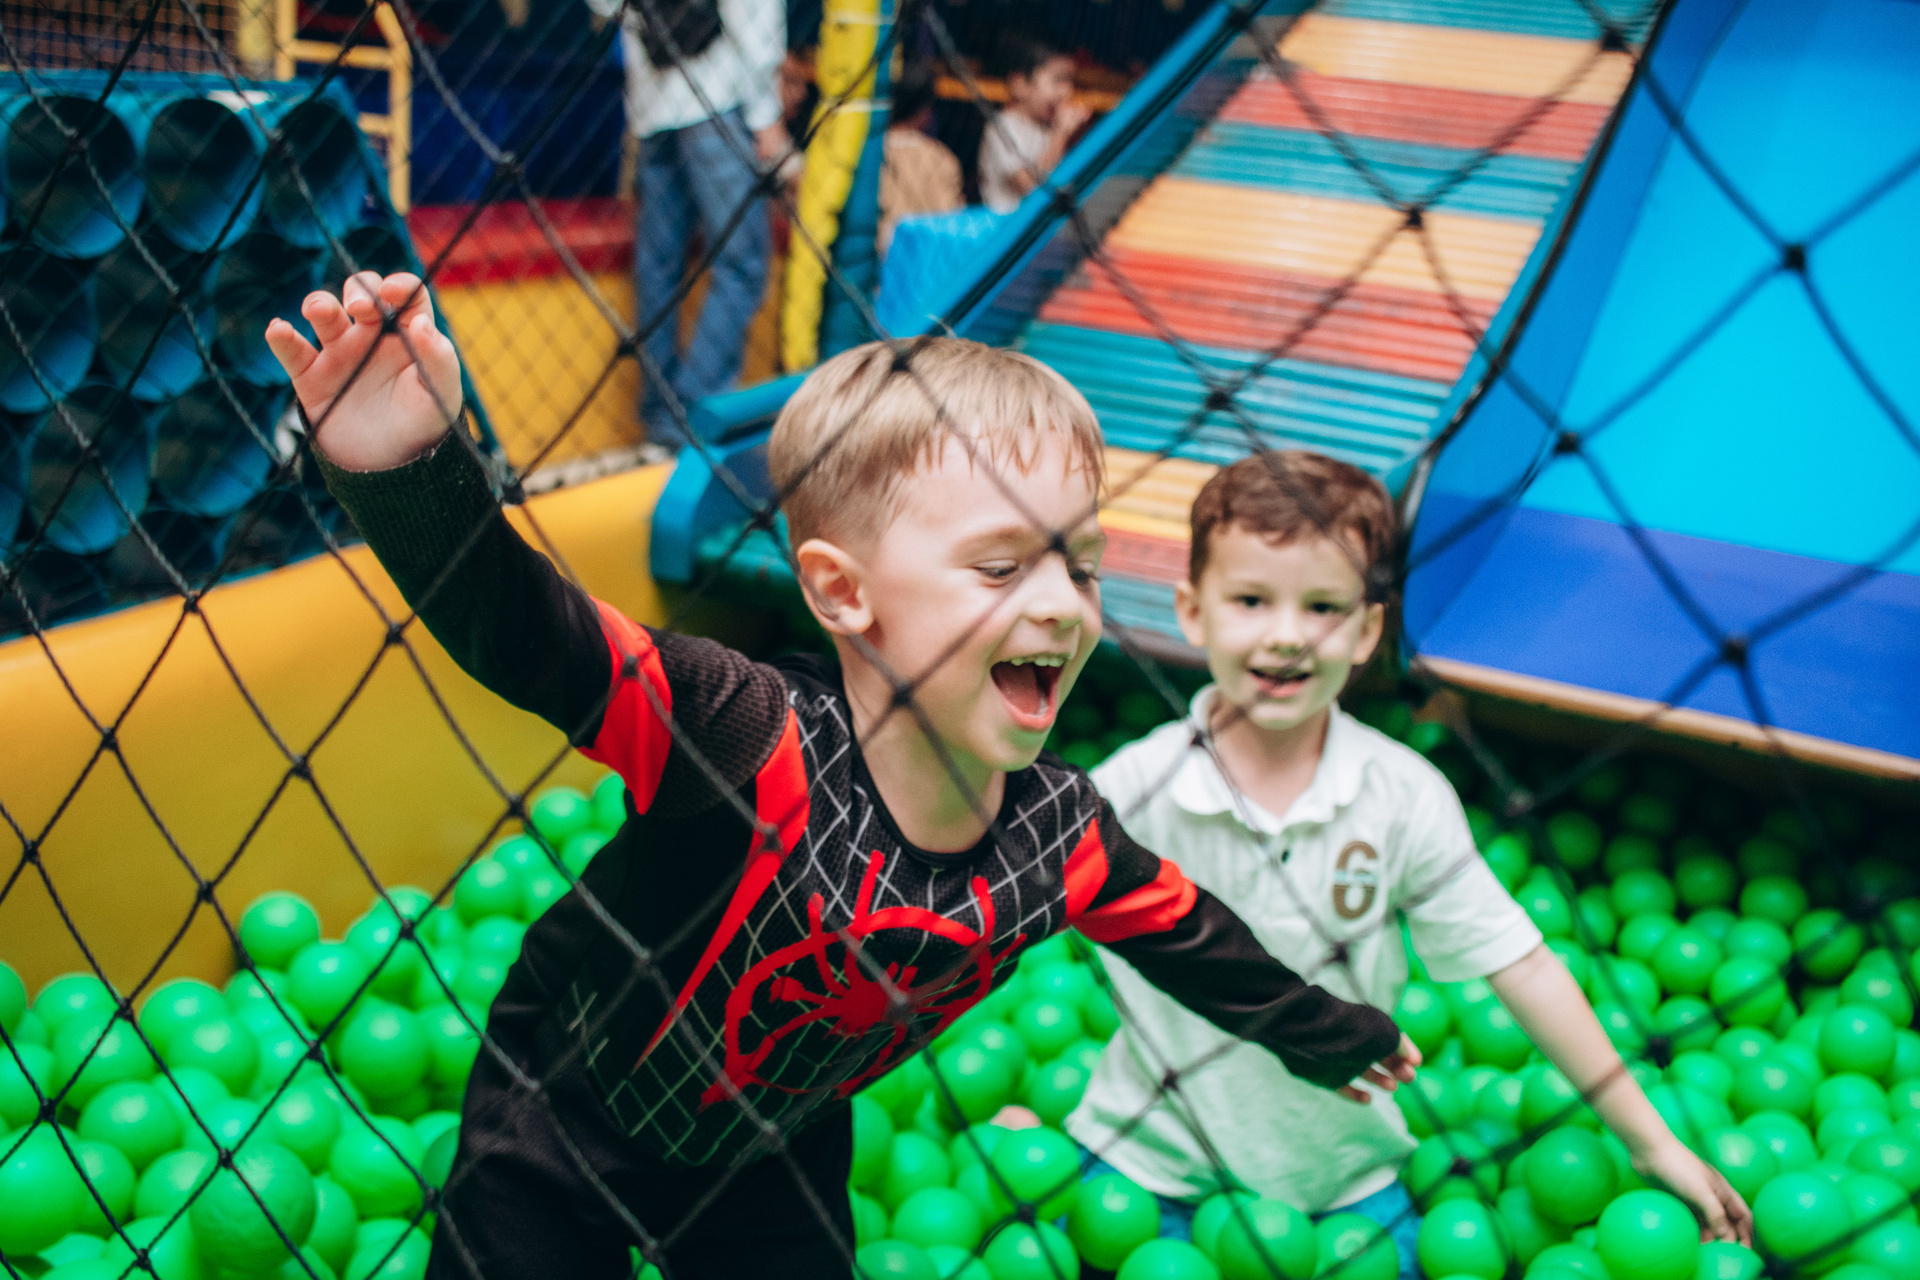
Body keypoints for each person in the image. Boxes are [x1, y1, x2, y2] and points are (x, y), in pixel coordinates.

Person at [264, 283, 1418, 1279]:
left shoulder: (1058, 836)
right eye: (1001, 565)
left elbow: (1190, 935)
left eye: (1082, 564)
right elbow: (533, 633)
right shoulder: (742, 733)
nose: (1062, 605)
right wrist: (407, 471)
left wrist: (1329, 1033)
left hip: (771, 1141)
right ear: (841, 591)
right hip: (565, 1107)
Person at [1065, 453, 1755, 1273]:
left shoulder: (1402, 795)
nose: (1286, 634)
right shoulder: (1134, 788)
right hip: (1148, 1165)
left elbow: (1524, 965)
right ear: (1192, 611)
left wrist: (1651, 1142)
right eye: (1251, 600)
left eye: (1323, 607)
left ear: (1367, 630)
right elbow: (1008, 907)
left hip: (1344, 1177)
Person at [586, 0, 788, 446]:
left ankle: (661, 415)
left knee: (659, 267)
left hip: (651, 107)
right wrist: (766, 114)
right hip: (718, 98)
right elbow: (755, 15)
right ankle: (694, 415)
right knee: (743, 264)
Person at [977, 31, 1089, 214]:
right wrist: (1060, 135)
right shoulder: (1002, 127)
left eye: (1070, 81)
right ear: (1020, 85)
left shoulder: (1048, 128)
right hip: (1010, 226)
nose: (1066, 92)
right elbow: (1027, 185)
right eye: (1057, 80)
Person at [879, 61, 963, 255]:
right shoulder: (941, 159)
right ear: (926, 110)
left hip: (876, 262)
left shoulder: (867, 154)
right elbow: (949, 227)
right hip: (924, 261)